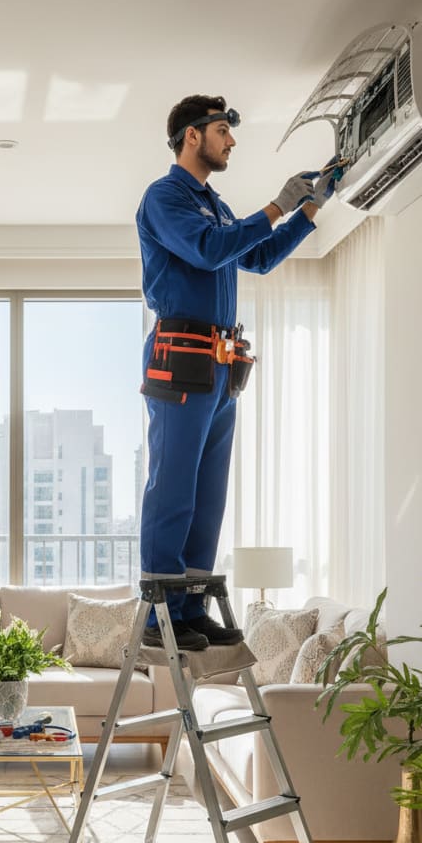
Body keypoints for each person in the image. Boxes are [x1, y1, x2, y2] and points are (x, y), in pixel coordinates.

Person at [136, 94, 337, 650]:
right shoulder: (166, 196)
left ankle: (191, 609)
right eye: (223, 130)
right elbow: (205, 251)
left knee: (208, 495)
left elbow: (259, 257)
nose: (231, 140)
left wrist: (309, 209)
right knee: (174, 487)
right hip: (181, 360)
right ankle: (158, 617)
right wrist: (275, 205)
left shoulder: (218, 206)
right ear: (192, 136)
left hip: (220, 368)